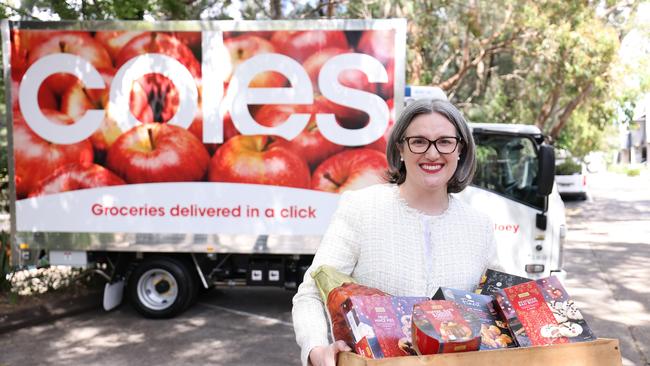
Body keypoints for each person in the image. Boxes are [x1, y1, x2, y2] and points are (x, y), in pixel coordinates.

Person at [292, 98, 500, 366]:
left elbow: (497, 308)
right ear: (400, 148)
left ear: (460, 150)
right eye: (419, 141)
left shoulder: (479, 225)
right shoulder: (361, 208)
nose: (433, 154)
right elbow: (310, 294)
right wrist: (316, 347)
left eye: (445, 142)